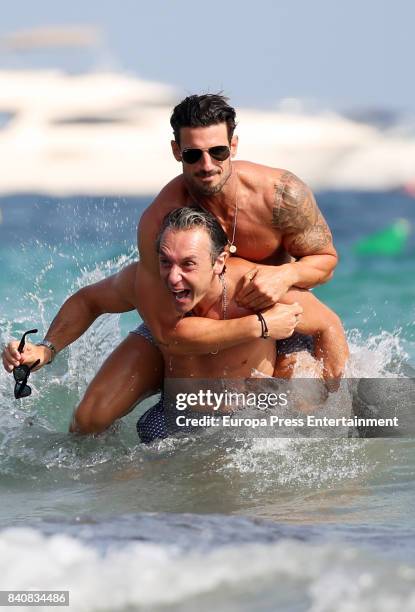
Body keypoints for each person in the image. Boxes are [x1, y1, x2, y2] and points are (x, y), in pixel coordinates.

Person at [3, 208, 348, 443]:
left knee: (302, 404)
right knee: (88, 420)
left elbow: (329, 325)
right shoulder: (150, 283)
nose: (173, 277)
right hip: (169, 368)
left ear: (218, 262)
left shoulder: (255, 288)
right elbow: (88, 300)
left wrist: (336, 401)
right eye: (165, 262)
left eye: (187, 264)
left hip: (238, 410)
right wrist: (45, 349)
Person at [133, 93, 339, 385]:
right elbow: (167, 328)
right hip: (199, 329)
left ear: (233, 146)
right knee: (95, 411)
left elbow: (326, 262)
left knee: (297, 397)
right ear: (177, 151)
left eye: (217, 152)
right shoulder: (160, 220)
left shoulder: (281, 195)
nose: (207, 165)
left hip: (280, 317)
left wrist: (285, 274)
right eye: (193, 154)